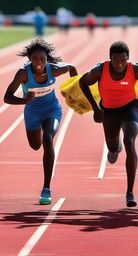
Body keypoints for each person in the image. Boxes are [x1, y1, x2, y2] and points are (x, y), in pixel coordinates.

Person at [79, 41, 138, 207]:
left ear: (128, 59)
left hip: (129, 107)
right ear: (110, 59)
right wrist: (95, 109)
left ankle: (130, 192)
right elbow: (83, 82)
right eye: (115, 60)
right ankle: (115, 147)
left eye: (123, 61)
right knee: (112, 147)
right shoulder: (99, 71)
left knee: (130, 141)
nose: (119, 65)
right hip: (108, 111)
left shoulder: (135, 69)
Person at [4, 38, 78, 205]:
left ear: (47, 59)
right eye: (35, 59)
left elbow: (71, 68)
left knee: (48, 139)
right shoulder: (23, 74)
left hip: (52, 110)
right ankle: (42, 132)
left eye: (43, 59)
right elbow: (7, 97)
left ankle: (46, 188)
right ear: (30, 59)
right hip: (32, 112)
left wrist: (74, 90)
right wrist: (24, 100)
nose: (39, 62)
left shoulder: (55, 70)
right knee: (35, 145)